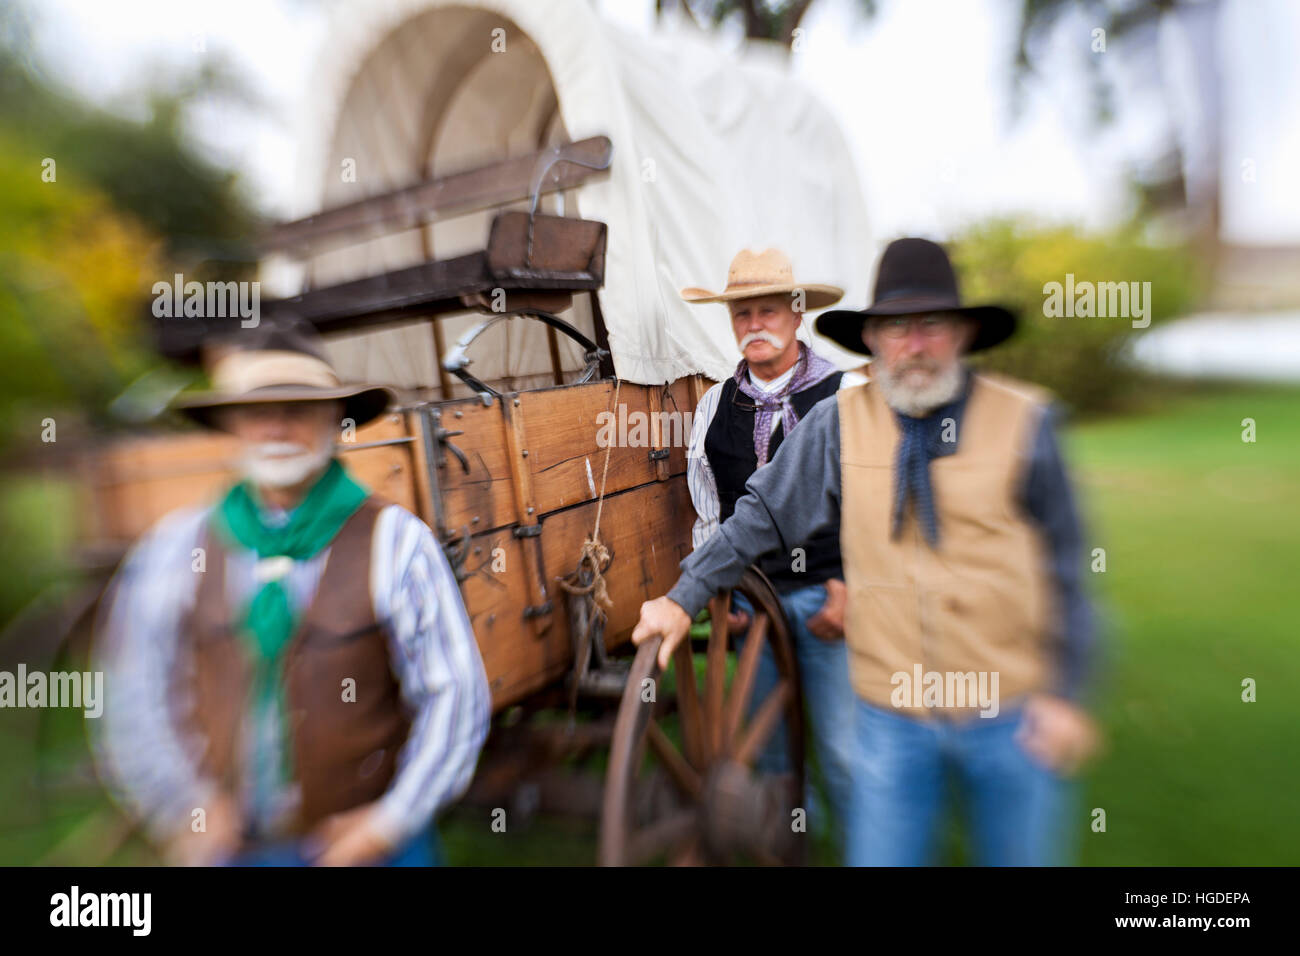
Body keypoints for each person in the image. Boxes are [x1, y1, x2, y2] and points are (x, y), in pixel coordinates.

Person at [635, 238, 1100, 866]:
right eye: (894, 328)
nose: (912, 345)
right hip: (894, 710)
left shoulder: (1025, 423)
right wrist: (681, 597)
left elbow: (1067, 568)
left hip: (1007, 713)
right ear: (872, 339)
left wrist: (1065, 692)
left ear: (962, 334)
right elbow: (759, 514)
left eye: (931, 325)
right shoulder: (842, 420)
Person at [93, 320, 491, 866]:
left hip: (368, 847)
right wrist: (183, 808)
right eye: (256, 411)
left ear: (336, 420)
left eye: (300, 409)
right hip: (235, 853)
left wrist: (387, 824)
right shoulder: (176, 545)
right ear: (230, 424)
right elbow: (135, 685)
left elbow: (455, 696)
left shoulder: (396, 541)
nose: (277, 427)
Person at [679, 248, 861, 847]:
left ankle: (874, 847)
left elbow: (873, 502)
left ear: (797, 314)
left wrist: (853, 587)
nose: (753, 324)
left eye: (767, 311)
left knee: (841, 748)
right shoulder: (713, 406)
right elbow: (711, 508)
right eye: (741, 314)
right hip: (755, 604)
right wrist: (721, 588)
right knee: (772, 745)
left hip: (829, 598)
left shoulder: (844, 395)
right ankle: (794, 843)